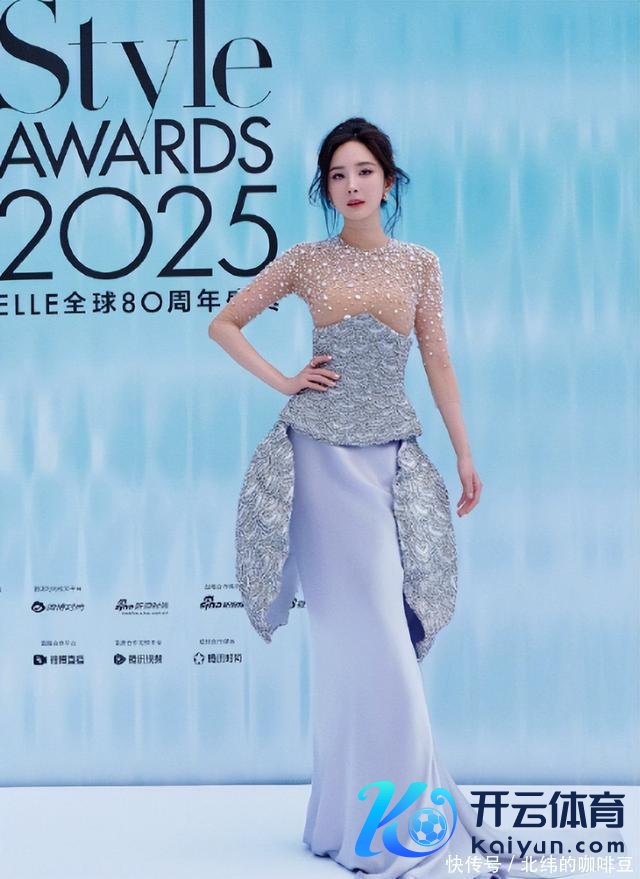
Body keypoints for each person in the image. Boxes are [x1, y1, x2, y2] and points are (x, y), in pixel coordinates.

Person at [208, 118, 624, 879]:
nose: (352, 185)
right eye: (337, 175)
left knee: (386, 647)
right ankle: (363, 825)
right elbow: (224, 323)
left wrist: (464, 452)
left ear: (388, 180)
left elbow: (439, 363)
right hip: (319, 462)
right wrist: (286, 380)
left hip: (389, 463)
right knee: (350, 647)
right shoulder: (306, 260)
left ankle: (376, 821)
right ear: (325, 187)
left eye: (364, 171)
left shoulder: (419, 264)